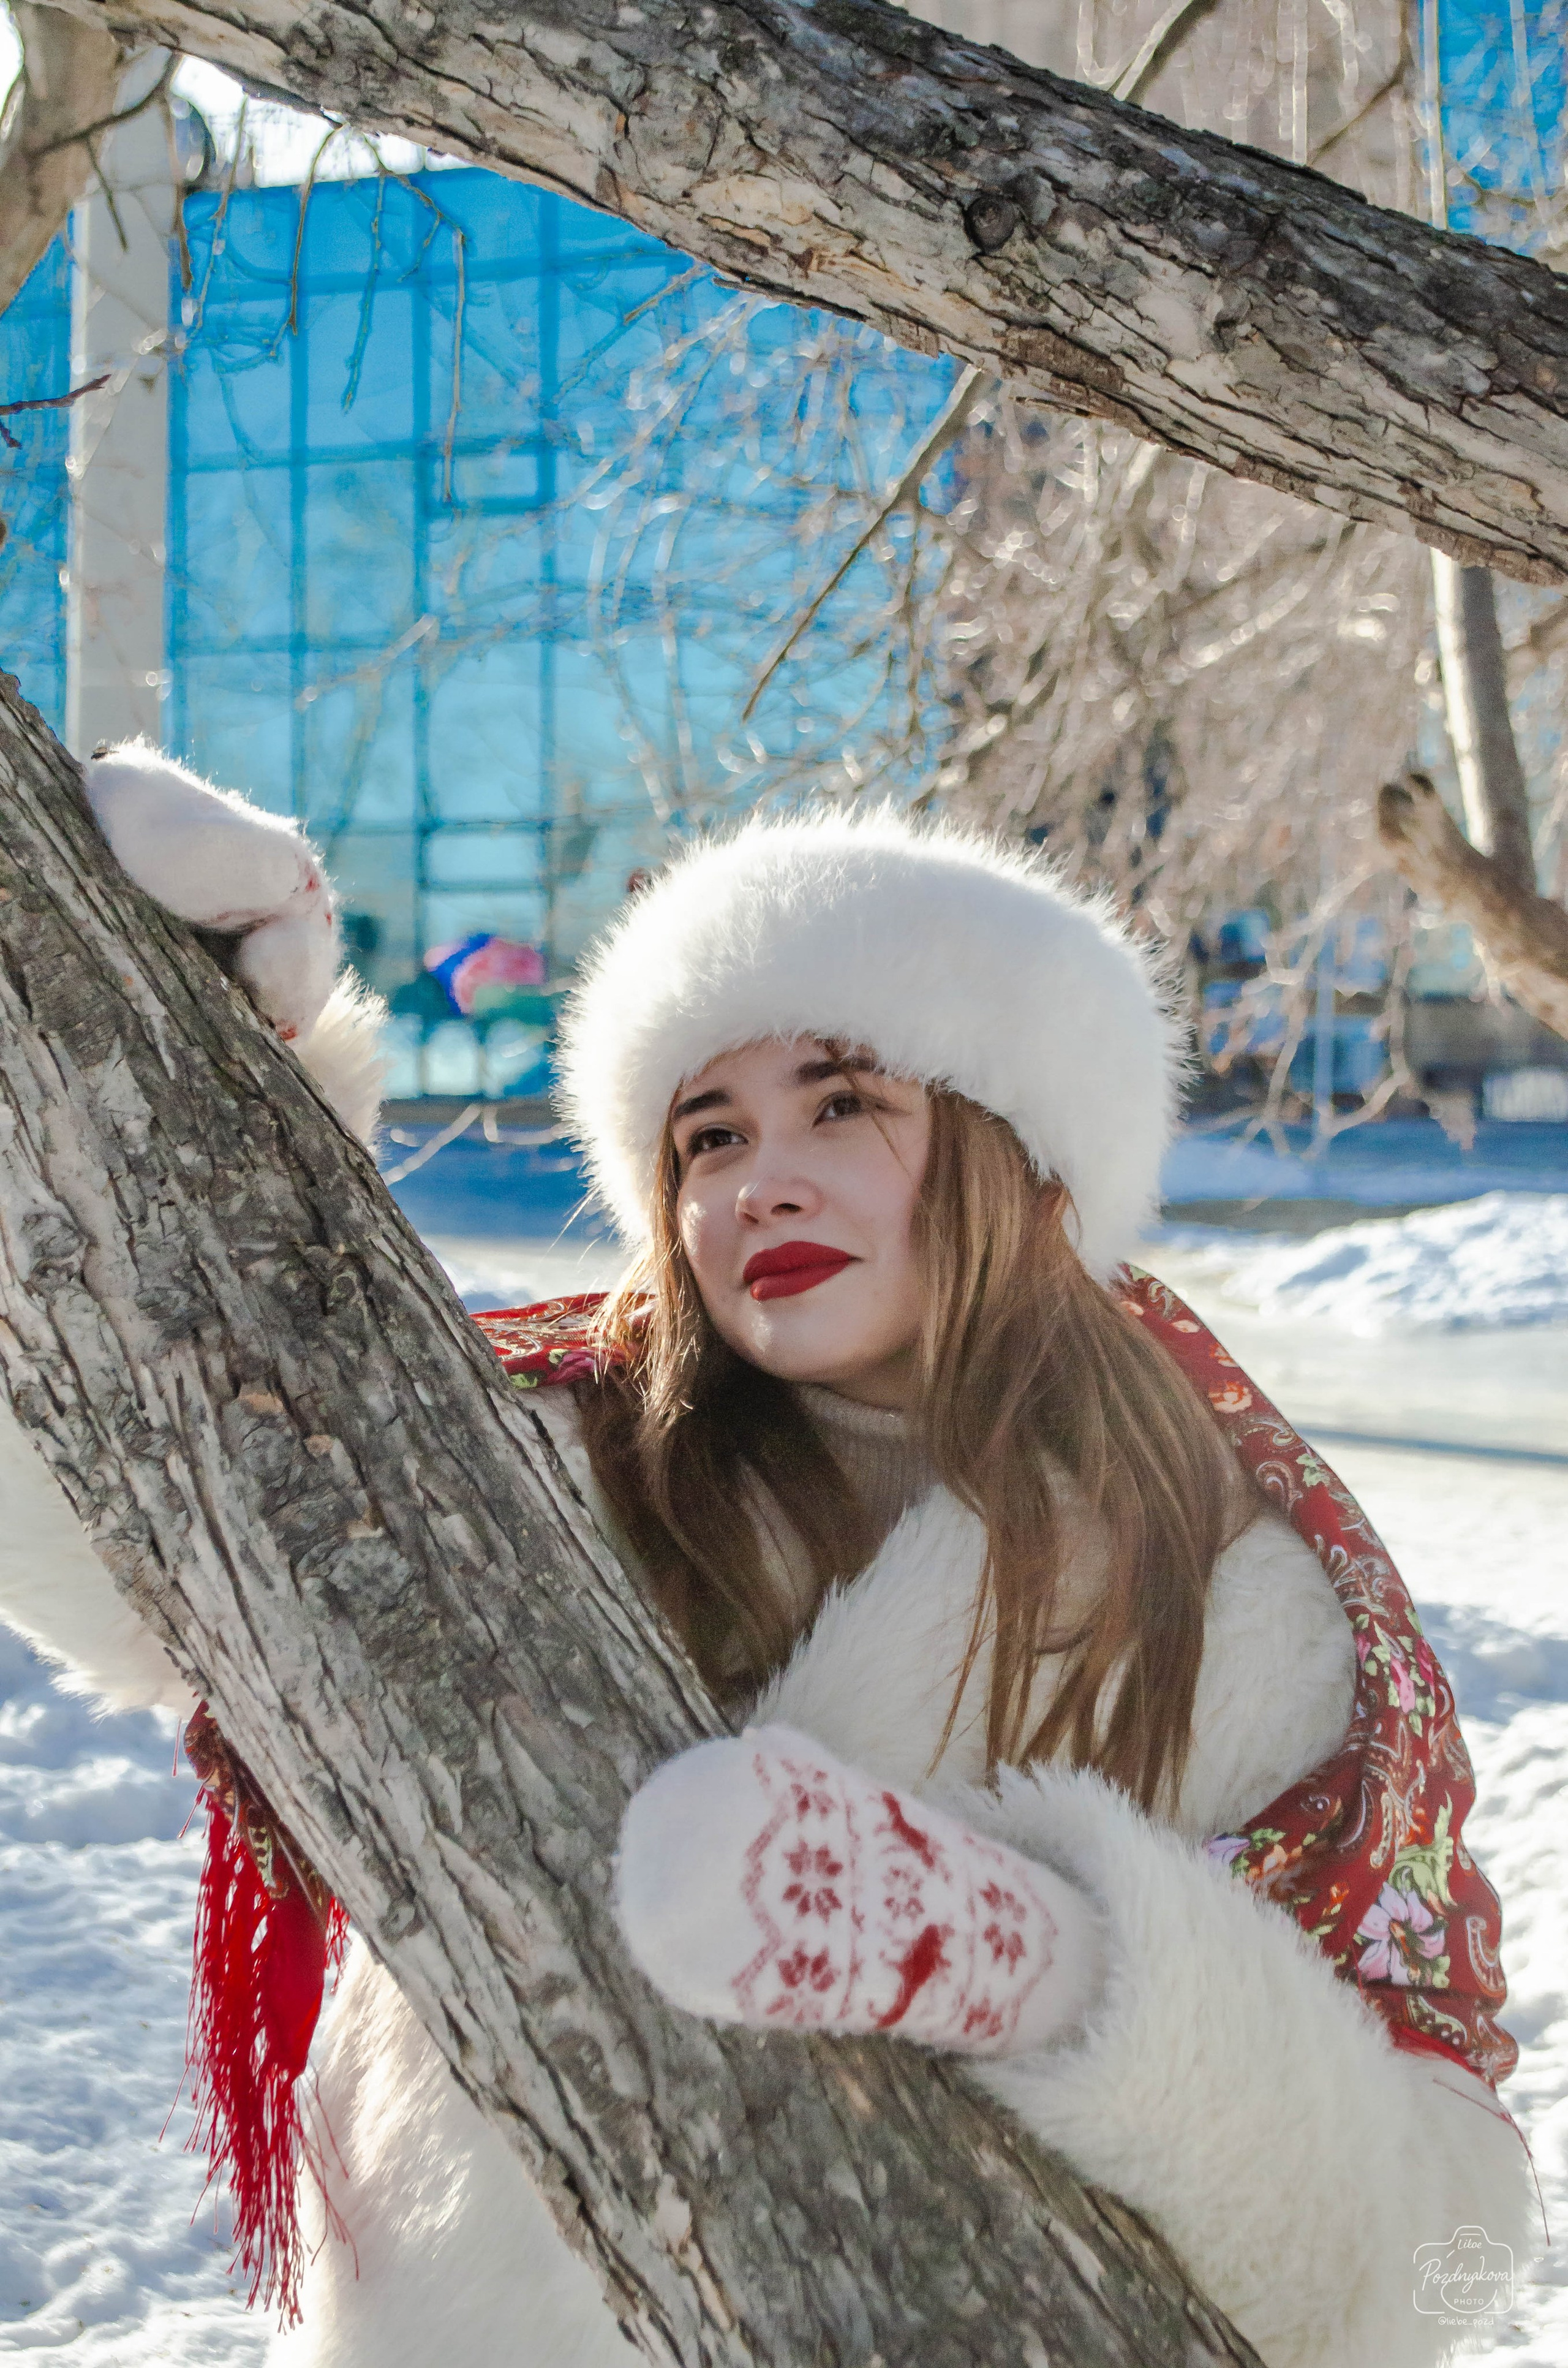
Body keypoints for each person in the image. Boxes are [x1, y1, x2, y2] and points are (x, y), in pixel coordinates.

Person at [0, 744, 1539, 2368]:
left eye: (845, 1102)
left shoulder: (1241, 1605)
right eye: (709, 1136)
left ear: (1018, 1151)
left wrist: (1046, 1967)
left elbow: (1437, 2259)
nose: (762, 1178)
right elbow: (150, 1537)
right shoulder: (552, 1457)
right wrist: (228, 1072)